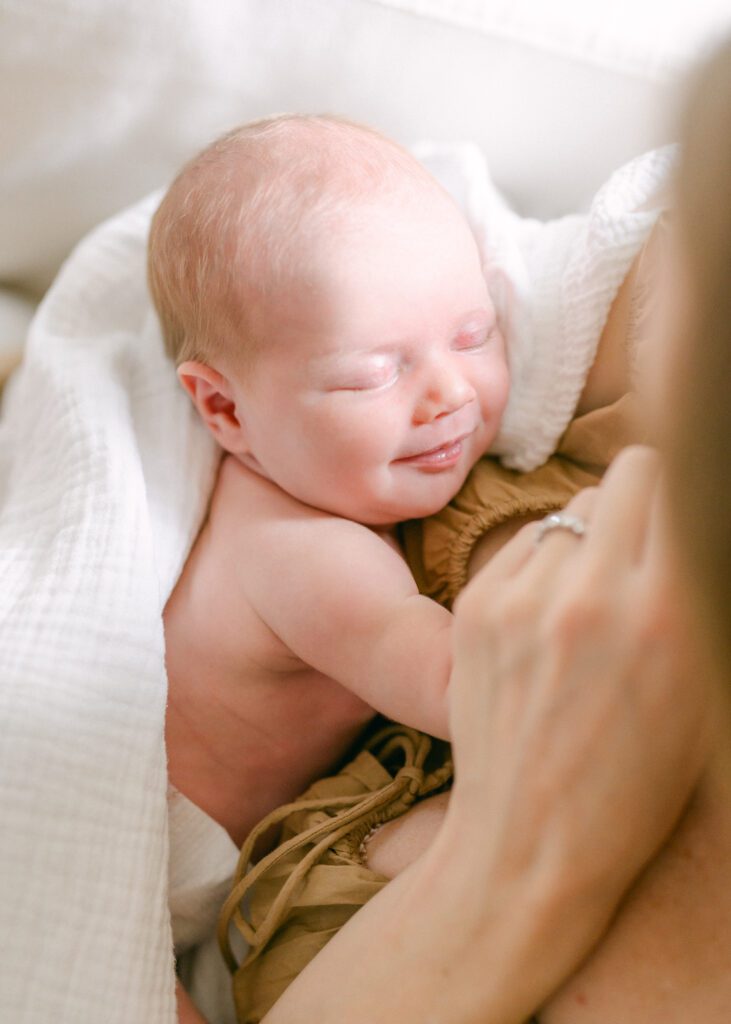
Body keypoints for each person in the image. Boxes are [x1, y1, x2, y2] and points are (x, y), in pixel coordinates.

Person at [214, 35, 731, 1024]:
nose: (451, 393)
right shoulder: (300, 534)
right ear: (225, 412)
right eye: (375, 370)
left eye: (473, 335)